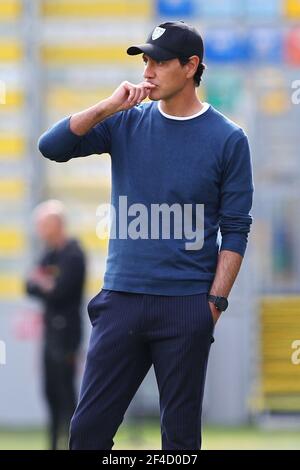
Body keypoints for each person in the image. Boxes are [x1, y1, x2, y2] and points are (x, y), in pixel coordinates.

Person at [38, 21, 254, 450]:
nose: (148, 71)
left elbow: (235, 229)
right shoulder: (124, 123)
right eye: (145, 61)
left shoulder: (228, 138)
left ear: (191, 66)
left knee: (179, 442)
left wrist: (213, 304)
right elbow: (52, 146)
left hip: (187, 306)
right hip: (122, 301)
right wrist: (106, 107)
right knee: (86, 435)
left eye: (159, 61)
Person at [25, 200, 86, 450]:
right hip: (50, 332)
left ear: (57, 224)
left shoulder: (73, 254)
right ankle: (53, 444)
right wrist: (45, 285)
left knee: (66, 392)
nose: (39, 230)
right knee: (50, 391)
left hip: (68, 333)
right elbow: (29, 285)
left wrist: (45, 284)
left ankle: (75, 443)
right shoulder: (49, 254)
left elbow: (61, 291)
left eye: (43, 224)